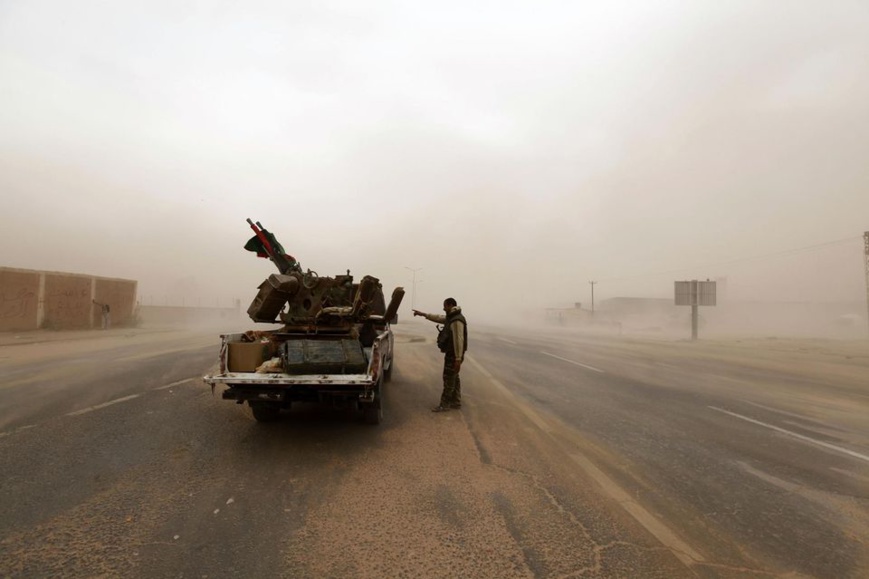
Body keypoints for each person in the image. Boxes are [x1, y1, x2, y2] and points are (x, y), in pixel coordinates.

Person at [413, 298, 467, 412]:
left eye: (445, 306)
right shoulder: (452, 317)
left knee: (448, 379)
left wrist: (458, 359)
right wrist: (423, 314)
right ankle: (456, 402)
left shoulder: (456, 320)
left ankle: (445, 404)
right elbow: (438, 317)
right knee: (454, 377)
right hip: (453, 354)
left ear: (450, 305)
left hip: (454, 355)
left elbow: (459, 340)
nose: (443, 308)